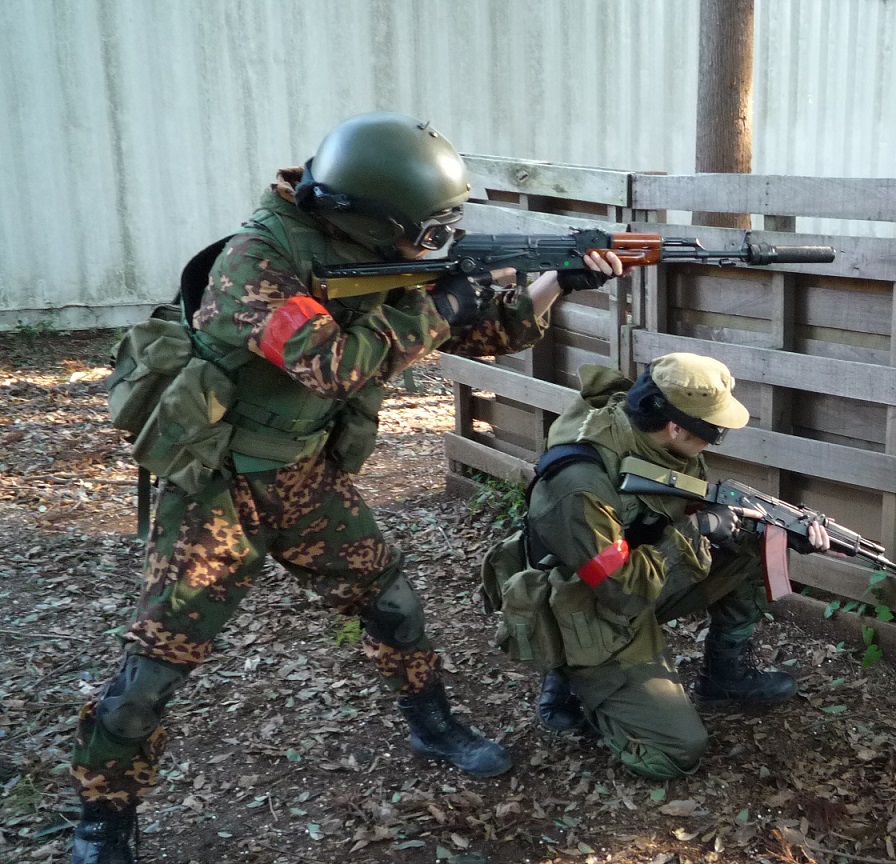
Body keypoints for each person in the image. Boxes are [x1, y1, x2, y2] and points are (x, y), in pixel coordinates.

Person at [69, 112, 623, 864]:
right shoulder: (256, 262)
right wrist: (442, 304)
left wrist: (557, 281)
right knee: (155, 667)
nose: (436, 241)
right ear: (369, 217)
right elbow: (334, 366)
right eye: (426, 230)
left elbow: (482, 333)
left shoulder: (369, 253)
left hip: (305, 476)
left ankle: (432, 725)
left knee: (394, 604)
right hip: (219, 488)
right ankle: (103, 818)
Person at [482, 353, 829, 781]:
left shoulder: (650, 433)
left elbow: (667, 511)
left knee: (756, 539)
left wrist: (783, 530)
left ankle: (725, 675)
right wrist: (699, 529)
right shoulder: (581, 483)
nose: (716, 440)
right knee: (677, 751)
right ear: (676, 427)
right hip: (587, 610)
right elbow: (621, 591)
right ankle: (573, 677)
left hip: (634, 575)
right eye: (715, 432)